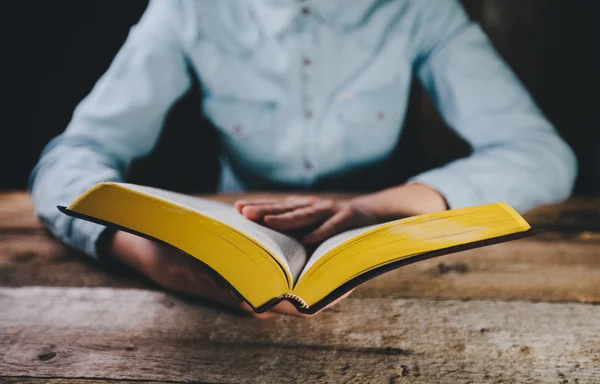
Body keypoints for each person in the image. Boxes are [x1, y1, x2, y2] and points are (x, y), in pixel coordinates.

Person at [30, 0, 577, 318]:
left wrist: (384, 207)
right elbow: (71, 157)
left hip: (375, 261)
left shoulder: (418, 10)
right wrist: (139, 252)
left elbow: (543, 154)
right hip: (225, 249)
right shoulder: (189, 10)